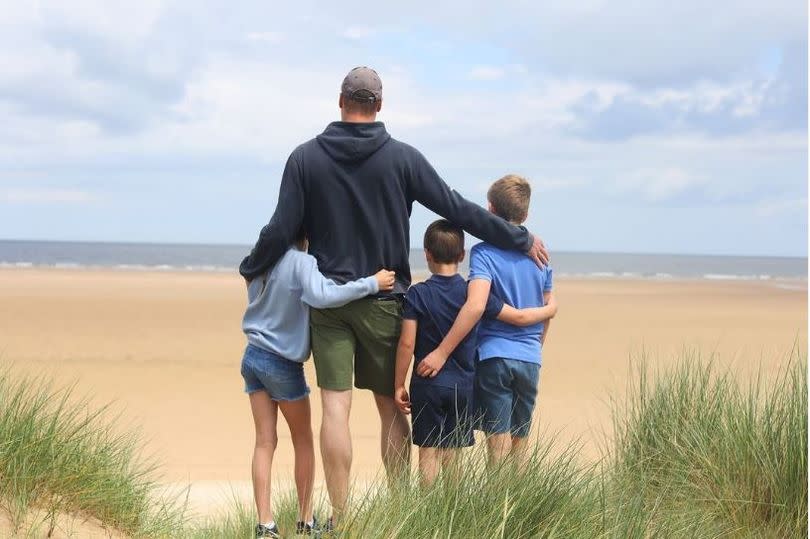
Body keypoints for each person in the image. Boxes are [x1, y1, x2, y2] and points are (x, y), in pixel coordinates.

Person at [239, 66, 549, 527]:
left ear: (340, 100)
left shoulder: (305, 158)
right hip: (388, 301)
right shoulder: (402, 158)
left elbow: (282, 228)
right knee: (390, 405)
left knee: (335, 409)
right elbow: (457, 208)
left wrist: (252, 265)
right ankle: (402, 513)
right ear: (379, 106)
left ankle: (340, 521)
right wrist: (516, 237)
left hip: (331, 305)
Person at [240, 225, 395, 538]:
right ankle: (305, 521)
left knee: (264, 442)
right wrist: (371, 283)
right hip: (282, 362)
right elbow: (323, 295)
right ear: (305, 236)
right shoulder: (301, 261)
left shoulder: (258, 262)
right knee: (303, 441)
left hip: (252, 356)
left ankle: (265, 524)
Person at [394, 220, 557, 486]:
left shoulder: (417, 294)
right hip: (463, 384)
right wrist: (549, 310)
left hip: (427, 383)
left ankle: (426, 510)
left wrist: (399, 383)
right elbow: (514, 316)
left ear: (427, 254)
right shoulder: (474, 295)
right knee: (453, 451)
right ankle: (452, 508)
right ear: (462, 255)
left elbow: (407, 344)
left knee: (428, 450)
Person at [417, 175, 554, 465]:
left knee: (497, 442)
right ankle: (519, 505)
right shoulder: (541, 257)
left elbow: (476, 305)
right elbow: (547, 310)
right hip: (530, 357)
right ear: (526, 214)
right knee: (521, 440)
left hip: (494, 355)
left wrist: (442, 352)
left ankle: (496, 506)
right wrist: (535, 347)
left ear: (489, 211)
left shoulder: (484, 253)